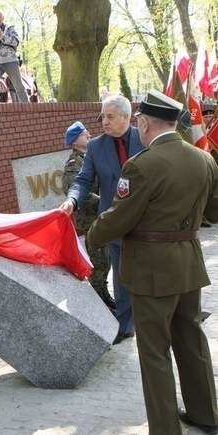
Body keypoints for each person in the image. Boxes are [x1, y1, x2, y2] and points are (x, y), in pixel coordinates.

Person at [87, 90, 218, 435]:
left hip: (151, 270)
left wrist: (92, 236)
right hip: (188, 263)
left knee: (155, 352)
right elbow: (214, 211)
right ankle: (207, 415)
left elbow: (119, 218)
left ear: (143, 123)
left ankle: (165, 429)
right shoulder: (203, 159)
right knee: (191, 341)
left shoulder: (142, 165)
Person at [60, 94, 144, 345]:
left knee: (151, 271)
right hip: (114, 221)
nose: (103, 121)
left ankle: (157, 318)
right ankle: (125, 324)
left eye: (110, 116)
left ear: (126, 117)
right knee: (120, 275)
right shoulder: (96, 146)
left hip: (146, 220)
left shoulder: (145, 138)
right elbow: (83, 180)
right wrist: (72, 200)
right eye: (102, 116)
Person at [61, 122, 115, 311]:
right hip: (89, 220)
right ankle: (99, 306)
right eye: (85, 134)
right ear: (75, 141)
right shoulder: (74, 163)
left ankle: (104, 296)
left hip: (99, 218)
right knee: (98, 263)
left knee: (105, 260)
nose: (89, 135)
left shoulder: (88, 157)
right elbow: (75, 190)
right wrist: (106, 203)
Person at [0, 10, 29, 103]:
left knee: (18, 85)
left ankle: (27, 107)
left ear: (3, 18)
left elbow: (15, 42)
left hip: (11, 61)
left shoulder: (10, 28)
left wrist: (1, 36)